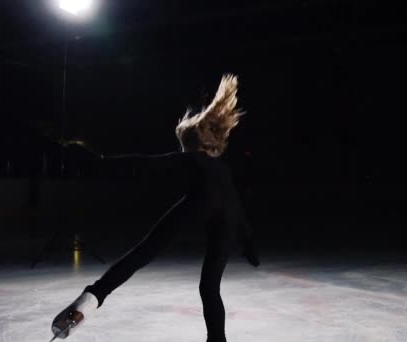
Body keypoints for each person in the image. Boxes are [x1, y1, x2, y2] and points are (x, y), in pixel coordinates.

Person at [50, 74, 258, 342]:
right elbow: (237, 207)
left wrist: (96, 161)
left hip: (201, 203)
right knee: (210, 287)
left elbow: (144, 163)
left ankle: (93, 297)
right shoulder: (222, 167)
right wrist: (248, 242)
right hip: (229, 217)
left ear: (190, 143)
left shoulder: (190, 158)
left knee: (143, 253)